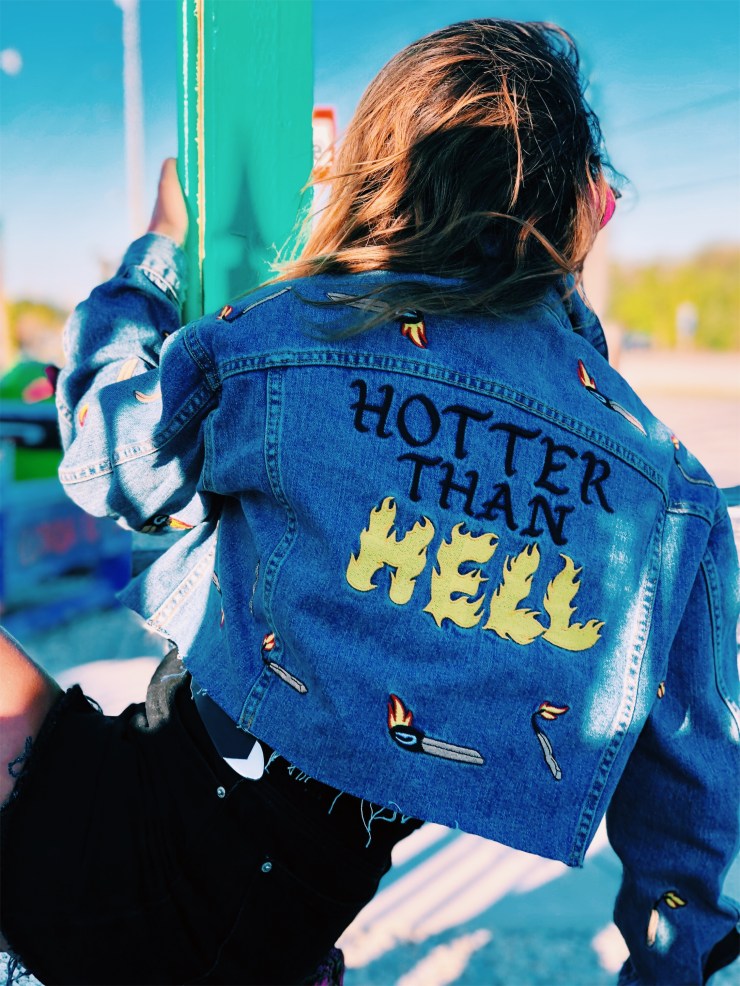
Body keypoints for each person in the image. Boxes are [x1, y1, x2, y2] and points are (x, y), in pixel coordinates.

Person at [1, 18, 738, 986]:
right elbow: (693, 824)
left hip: (117, 852)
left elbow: (108, 461)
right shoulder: (666, 493)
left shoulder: (287, 344)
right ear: (575, 212)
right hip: (274, 934)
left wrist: (157, 253)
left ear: (381, 173)